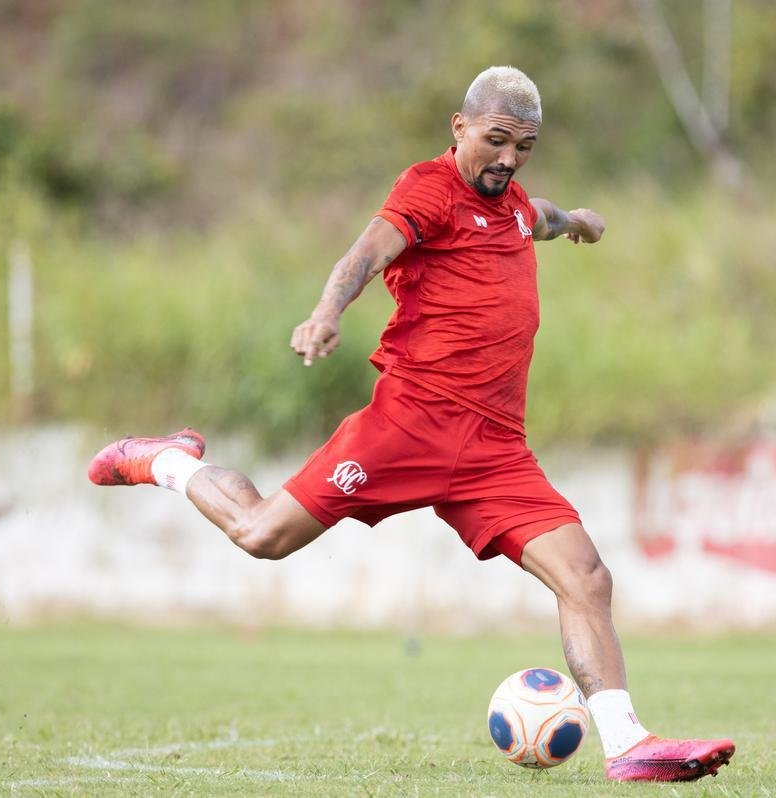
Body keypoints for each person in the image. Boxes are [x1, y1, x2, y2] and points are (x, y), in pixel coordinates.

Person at [89, 65, 734, 782]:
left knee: (586, 576)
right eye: (496, 141)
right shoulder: (429, 189)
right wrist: (326, 312)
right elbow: (365, 254)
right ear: (460, 127)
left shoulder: (516, 206)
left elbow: (541, 217)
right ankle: (168, 460)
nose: (509, 159)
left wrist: (578, 222)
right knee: (262, 535)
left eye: (524, 147)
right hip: (410, 424)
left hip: (494, 450)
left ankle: (627, 744)